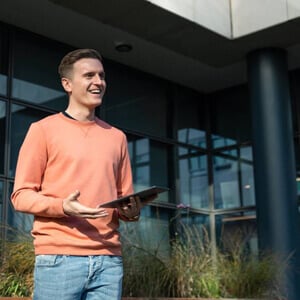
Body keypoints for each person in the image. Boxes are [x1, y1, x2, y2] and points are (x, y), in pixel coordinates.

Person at [11, 48, 155, 300]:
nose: (98, 82)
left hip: (109, 262)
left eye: (101, 76)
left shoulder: (117, 137)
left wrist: (131, 212)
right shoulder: (42, 130)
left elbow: (124, 199)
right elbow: (20, 196)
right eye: (89, 75)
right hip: (58, 260)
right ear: (67, 84)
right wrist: (64, 206)